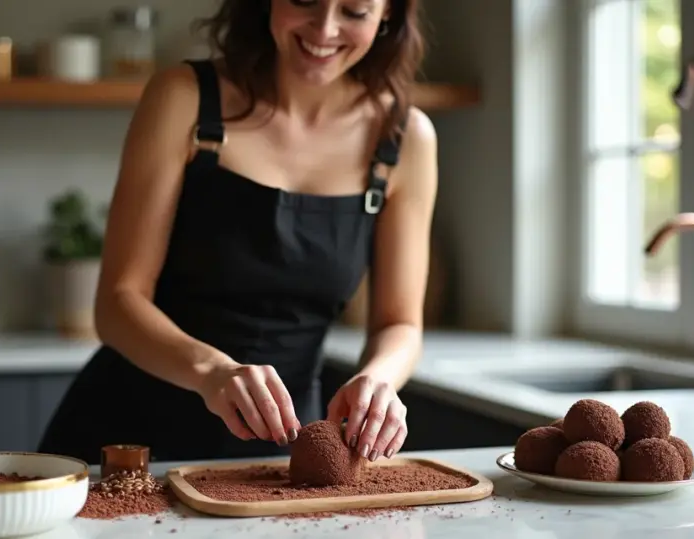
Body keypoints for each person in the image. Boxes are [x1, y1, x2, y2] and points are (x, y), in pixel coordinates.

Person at [38, 0, 438, 464]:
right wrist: (212, 371)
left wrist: (379, 379)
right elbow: (117, 303)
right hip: (131, 436)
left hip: (283, 448)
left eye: (354, 10)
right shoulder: (184, 97)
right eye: (304, 0)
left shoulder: (404, 138)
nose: (325, 28)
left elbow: (399, 323)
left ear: (387, 14)